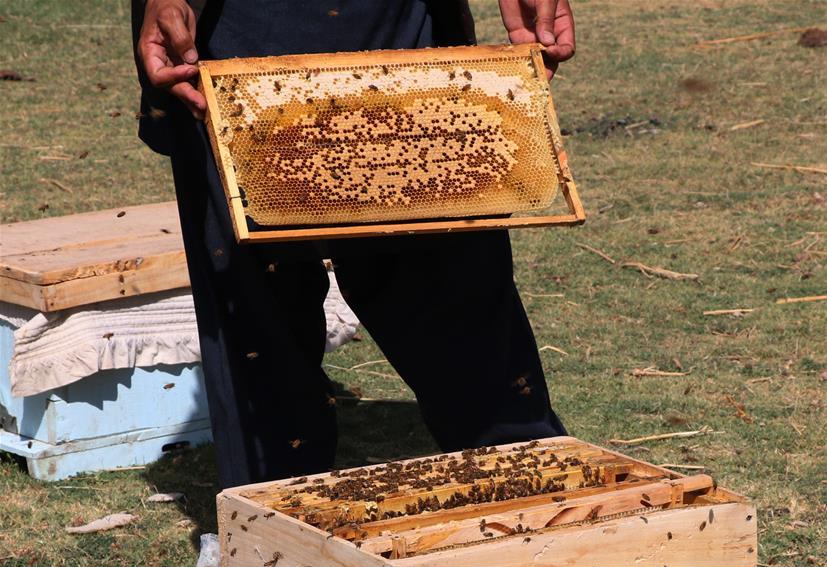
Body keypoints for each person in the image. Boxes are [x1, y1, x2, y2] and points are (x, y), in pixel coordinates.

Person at [131, 0, 576, 490]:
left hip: (395, 17)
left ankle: (527, 484)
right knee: (259, 311)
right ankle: (269, 514)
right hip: (236, 25)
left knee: (448, 254)